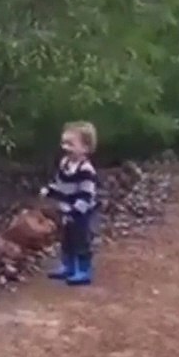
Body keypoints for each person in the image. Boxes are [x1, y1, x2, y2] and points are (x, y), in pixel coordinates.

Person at [40, 121, 100, 286]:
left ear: (85, 148)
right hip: (66, 208)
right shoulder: (65, 163)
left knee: (80, 240)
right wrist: (50, 191)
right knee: (66, 239)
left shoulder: (86, 169)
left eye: (71, 144)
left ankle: (83, 270)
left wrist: (76, 211)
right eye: (64, 143)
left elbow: (86, 193)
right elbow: (59, 183)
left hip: (81, 212)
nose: (65, 147)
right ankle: (67, 266)